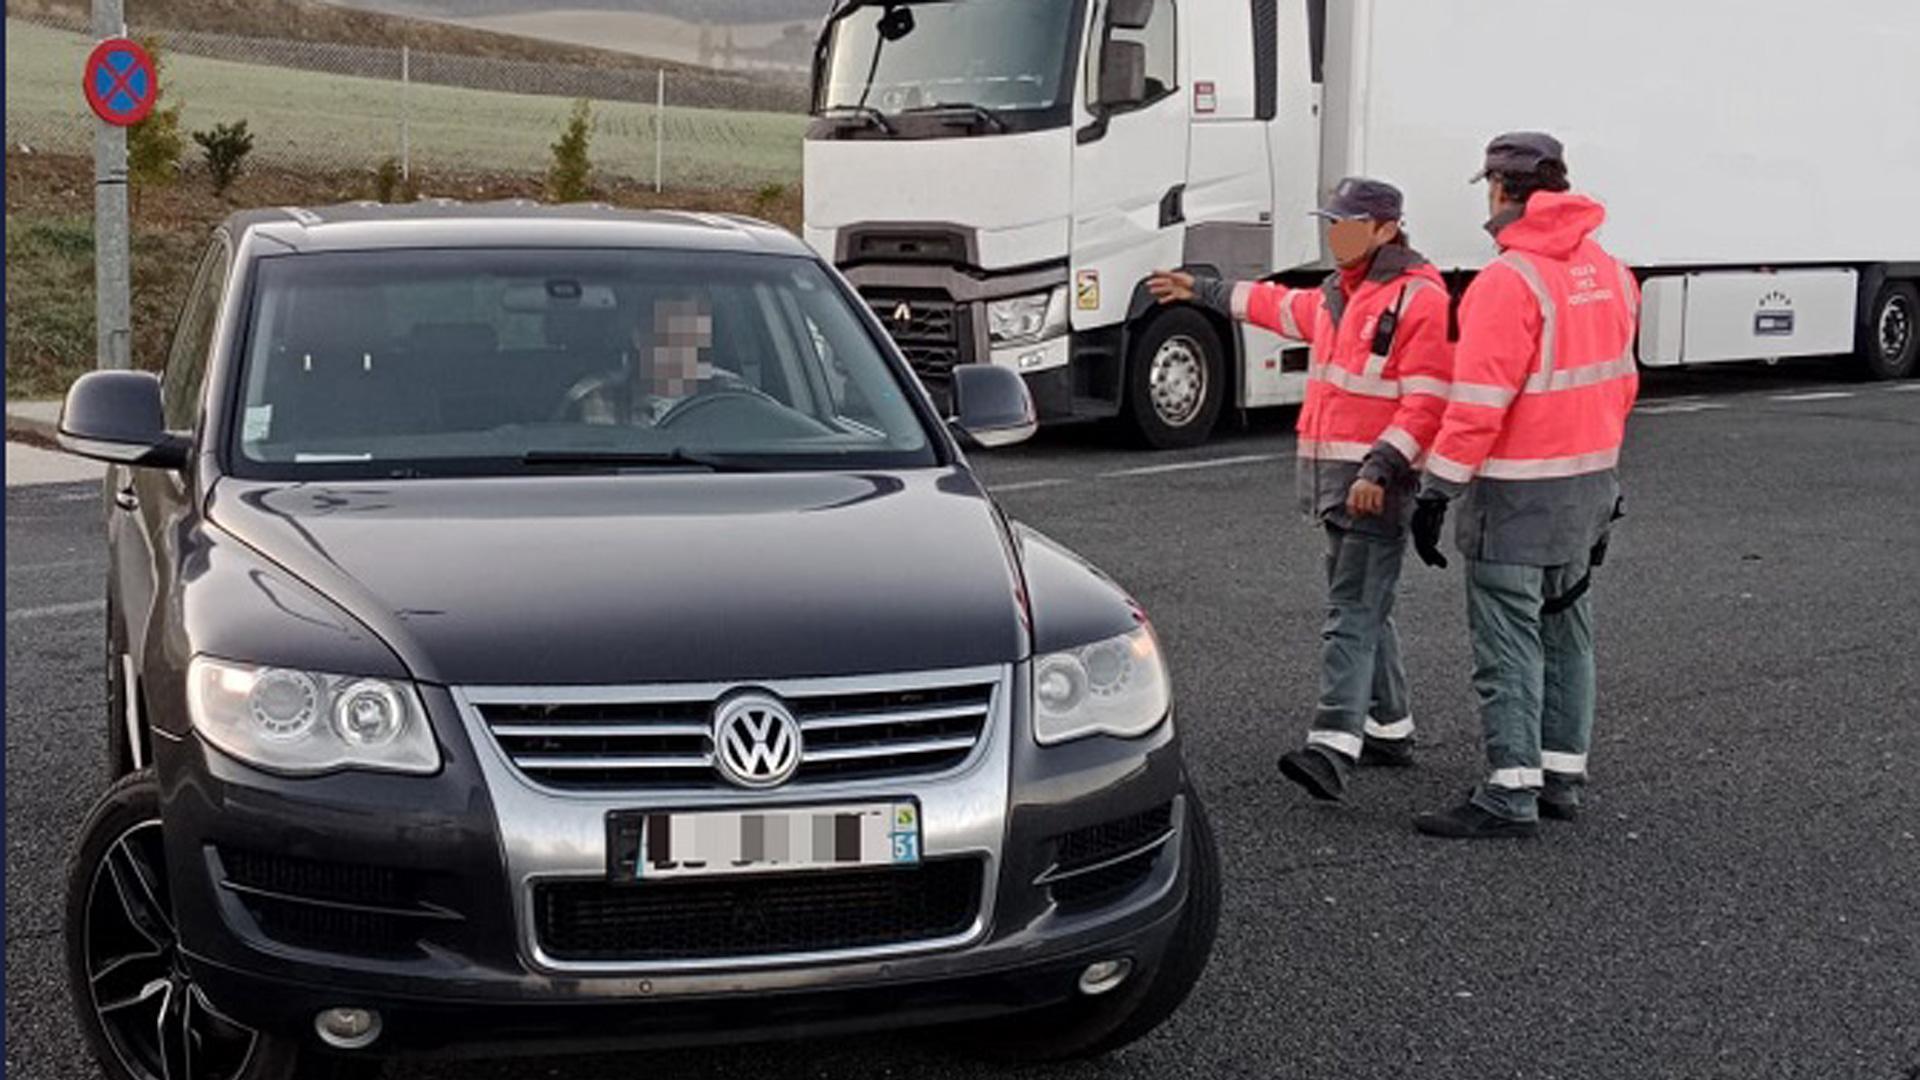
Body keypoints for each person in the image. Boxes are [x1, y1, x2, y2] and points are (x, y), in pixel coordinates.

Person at [1148, 177, 1453, 803]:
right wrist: (1200, 291)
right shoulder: (1342, 293)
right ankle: (1390, 727)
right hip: (1337, 484)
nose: (1335, 234)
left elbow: (1426, 403)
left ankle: (1333, 746)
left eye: (1348, 224)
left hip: (1373, 485)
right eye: (1332, 223)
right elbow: (1277, 306)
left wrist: (1379, 469)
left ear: (1386, 229)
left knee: (1351, 612)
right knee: (1366, 606)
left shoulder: (1417, 297)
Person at [1408, 132, 1640, 839]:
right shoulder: (1611, 272)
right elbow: (1623, 386)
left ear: (1502, 189)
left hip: (1516, 496)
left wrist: (1437, 490)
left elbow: (1478, 407)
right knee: (1568, 632)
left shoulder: (1507, 282)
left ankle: (1509, 793)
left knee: (1509, 642)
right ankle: (1560, 777)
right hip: (1587, 487)